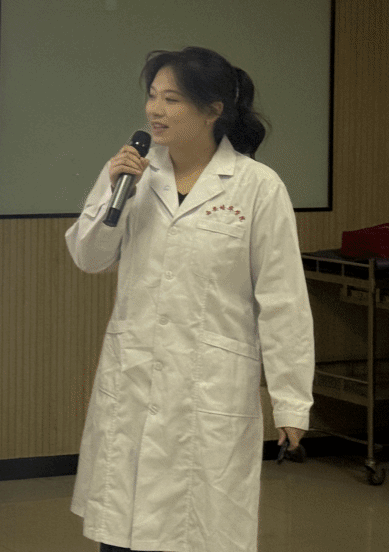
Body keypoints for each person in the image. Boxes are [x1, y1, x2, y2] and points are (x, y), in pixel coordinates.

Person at [66, 47, 314, 552]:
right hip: (134, 382)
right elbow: (89, 257)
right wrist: (115, 193)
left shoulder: (257, 188)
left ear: (212, 110)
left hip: (210, 391)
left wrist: (291, 401)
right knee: (122, 531)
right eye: (152, 96)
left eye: (172, 99)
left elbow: (283, 300)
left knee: (199, 532)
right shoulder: (132, 174)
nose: (154, 110)